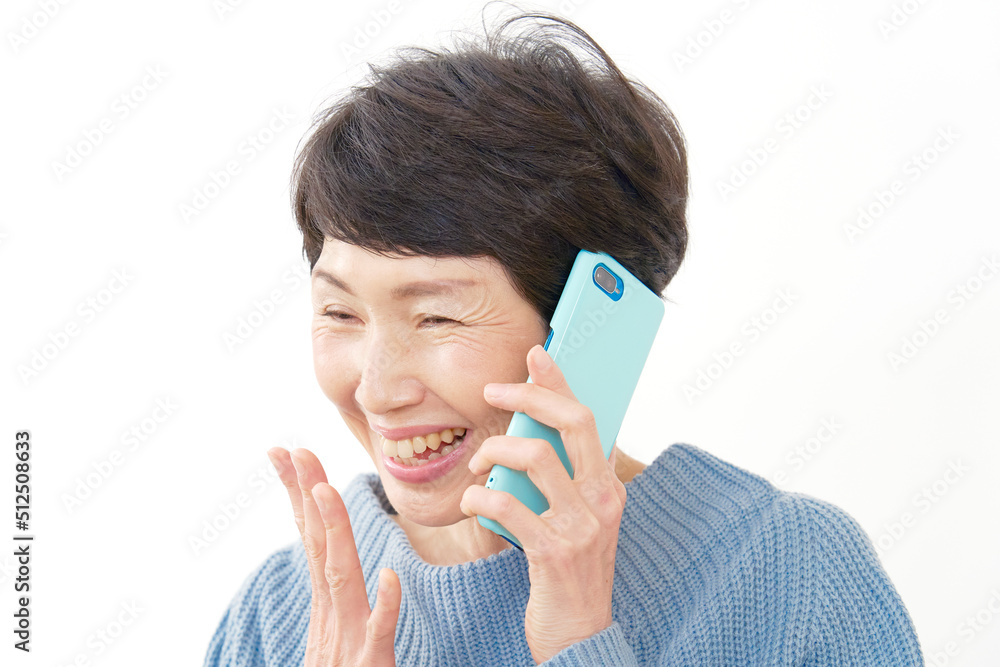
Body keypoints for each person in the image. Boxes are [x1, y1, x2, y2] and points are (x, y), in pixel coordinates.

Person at [203, 8, 923, 666]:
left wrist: (581, 641)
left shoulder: (790, 573)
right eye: (340, 313)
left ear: (587, 326)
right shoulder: (278, 613)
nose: (377, 388)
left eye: (436, 317)